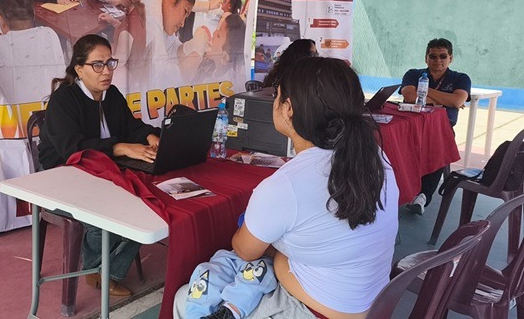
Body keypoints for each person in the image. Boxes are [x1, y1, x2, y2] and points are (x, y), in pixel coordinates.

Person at [175, 57, 399, 319]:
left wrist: (279, 256)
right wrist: (281, 259)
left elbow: (244, 250)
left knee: (186, 297)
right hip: (373, 304)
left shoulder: (286, 185)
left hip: (316, 311)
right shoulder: (375, 156)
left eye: (277, 95)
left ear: (289, 108)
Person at [37, 34, 161, 296]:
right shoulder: (64, 100)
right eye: (97, 64)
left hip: (104, 168)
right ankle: (97, 271)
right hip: (64, 174)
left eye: (110, 63)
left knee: (151, 202)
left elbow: (130, 126)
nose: (106, 71)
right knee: (107, 211)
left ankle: (105, 269)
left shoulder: (111, 94)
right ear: (79, 69)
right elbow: (70, 149)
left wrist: (149, 135)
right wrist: (121, 147)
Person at [401, 38, 471, 215]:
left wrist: (423, 91)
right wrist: (445, 99)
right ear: (426, 58)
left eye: (443, 56)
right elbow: (410, 97)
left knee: (439, 145)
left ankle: (423, 196)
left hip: (441, 129)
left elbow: (457, 100)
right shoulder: (412, 73)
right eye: (433, 56)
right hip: (412, 126)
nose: (437, 60)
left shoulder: (461, 78)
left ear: (450, 58)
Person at [139, 0, 197, 89]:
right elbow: (161, 79)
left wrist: (186, 48)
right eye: (185, 11)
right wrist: (196, 57)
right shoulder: (150, 0)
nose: (182, 23)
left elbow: (169, 43)